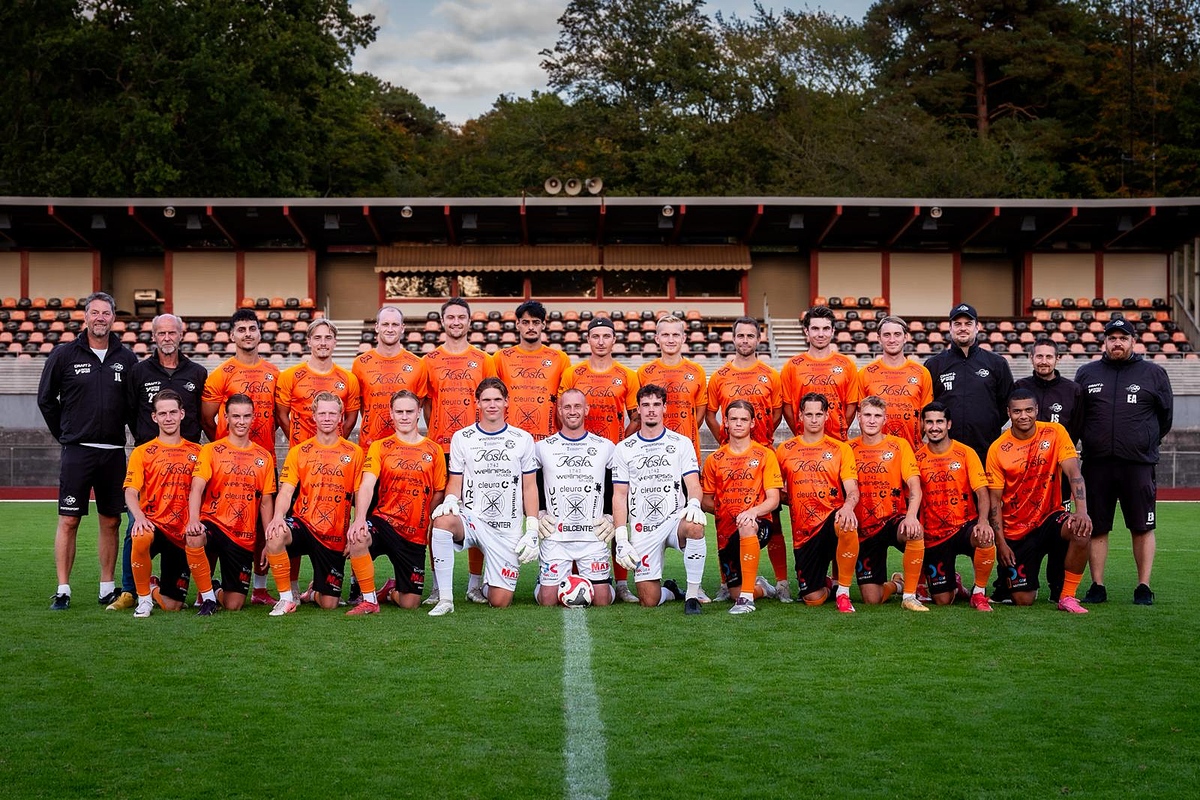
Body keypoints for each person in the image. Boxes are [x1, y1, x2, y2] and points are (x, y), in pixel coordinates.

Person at [37, 291, 137, 611]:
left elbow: (134, 408)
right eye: (95, 312)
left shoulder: (127, 358)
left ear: (113, 318)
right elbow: (45, 399)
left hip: (113, 452)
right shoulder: (64, 354)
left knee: (111, 521)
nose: (100, 318)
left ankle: (106, 588)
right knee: (69, 520)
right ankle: (63, 589)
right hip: (77, 451)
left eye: (106, 313)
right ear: (85, 317)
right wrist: (66, 435)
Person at [108, 312, 208, 612]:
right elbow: (129, 410)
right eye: (161, 333)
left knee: (193, 525)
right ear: (154, 337)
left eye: (172, 332)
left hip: (187, 461)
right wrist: (146, 440)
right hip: (150, 461)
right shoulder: (139, 371)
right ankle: (130, 591)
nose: (167, 338)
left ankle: (193, 588)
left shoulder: (197, 372)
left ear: (181, 335)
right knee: (136, 527)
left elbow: (203, 414)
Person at [1074, 317, 1173, 605]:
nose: (1117, 343)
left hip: (1137, 464)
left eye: (1123, 338)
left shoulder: (1154, 374)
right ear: (1104, 342)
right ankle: (1097, 585)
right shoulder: (1087, 373)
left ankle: (1143, 586)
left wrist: (1142, 440)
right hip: (1097, 464)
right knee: (1097, 526)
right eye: (1112, 338)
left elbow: (1165, 418)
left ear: (1133, 341)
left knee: (1142, 526)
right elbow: (1080, 417)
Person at [427, 378, 540, 615]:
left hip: (507, 529)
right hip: (473, 521)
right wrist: (450, 500)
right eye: (486, 400)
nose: (492, 405)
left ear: (507, 402)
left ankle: (488, 583)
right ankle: (445, 598)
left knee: (500, 601)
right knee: (443, 521)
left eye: (497, 399)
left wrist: (532, 527)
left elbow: (529, 487)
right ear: (477, 403)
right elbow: (455, 480)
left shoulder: (522, 439)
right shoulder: (462, 437)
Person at [705, 316, 789, 601]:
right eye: (740, 335)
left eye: (750, 336)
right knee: (724, 515)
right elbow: (710, 414)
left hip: (761, 454)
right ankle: (726, 581)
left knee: (773, 520)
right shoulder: (720, 376)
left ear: (758, 339)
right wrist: (725, 439)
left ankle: (782, 582)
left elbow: (776, 413)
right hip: (730, 456)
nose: (745, 340)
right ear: (733, 338)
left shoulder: (770, 375)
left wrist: (759, 438)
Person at [986, 388, 1092, 613]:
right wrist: (1001, 543)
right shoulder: (997, 449)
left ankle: (1067, 596)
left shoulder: (1055, 432)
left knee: (1081, 530)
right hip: (1017, 529)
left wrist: (1081, 511)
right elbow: (994, 502)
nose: (1023, 416)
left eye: (1028, 410)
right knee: (1023, 599)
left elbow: (1073, 472)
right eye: (1017, 411)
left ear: (1036, 410)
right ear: (1009, 413)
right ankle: (1007, 583)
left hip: (1049, 517)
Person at [200, 307, 280, 605]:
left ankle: (259, 588)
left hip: (263, 461)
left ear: (260, 334)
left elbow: (278, 417)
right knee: (216, 520)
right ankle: (207, 587)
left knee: (262, 523)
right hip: (226, 465)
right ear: (232, 335)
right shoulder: (222, 374)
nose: (248, 334)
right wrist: (225, 447)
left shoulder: (274, 373)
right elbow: (207, 418)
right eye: (242, 330)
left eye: (252, 329)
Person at [560, 316, 640, 602]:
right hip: (578, 460)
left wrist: (619, 443)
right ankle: (573, 577)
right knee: (575, 517)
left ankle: (622, 583)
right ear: (588, 340)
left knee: (616, 520)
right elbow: (563, 411)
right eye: (596, 336)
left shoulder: (627, 376)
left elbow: (635, 417)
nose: (601, 341)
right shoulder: (573, 373)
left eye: (607, 336)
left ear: (614, 340)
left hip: (612, 461)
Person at [263, 392, 364, 616]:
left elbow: (360, 493)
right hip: (304, 525)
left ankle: (312, 592)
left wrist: (358, 522)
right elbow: (286, 490)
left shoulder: (354, 452)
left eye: (332, 414)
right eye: (322, 413)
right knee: (276, 533)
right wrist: (278, 517)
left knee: (329, 603)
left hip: (334, 534)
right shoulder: (299, 451)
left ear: (341, 417)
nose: (327, 418)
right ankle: (286, 599)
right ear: (314, 416)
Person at [346, 390, 447, 614]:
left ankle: (390, 591)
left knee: (410, 603)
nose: (404, 416)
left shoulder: (434, 450)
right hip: (384, 522)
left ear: (418, 412)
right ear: (391, 414)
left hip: (413, 534)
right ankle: (369, 600)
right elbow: (367, 484)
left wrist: (424, 519)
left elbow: (439, 492)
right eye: (399, 412)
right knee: (359, 537)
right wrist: (360, 519)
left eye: (409, 411)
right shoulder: (380, 447)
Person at [421, 297, 494, 606]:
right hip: (440, 450)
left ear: (469, 321)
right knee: (436, 515)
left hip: (476, 450)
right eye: (450, 317)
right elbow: (426, 404)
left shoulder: (483, 359)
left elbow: (490, 400)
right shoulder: (429, 360)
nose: (455, 322)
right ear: (442, 322)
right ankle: (438, 586)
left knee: (480, 515)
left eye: (461, 317)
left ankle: (475, 584)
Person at [612, 384, 707, 614]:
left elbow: (693, 484)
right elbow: (620, 495)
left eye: (656, 404)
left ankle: (692, 596)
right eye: (645, 405)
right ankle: (671, 591)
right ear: (638, 410)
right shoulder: (624, 448)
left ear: (665, 408)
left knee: (695, 526)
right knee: (649, 600)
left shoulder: (681, 443)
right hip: (643, 528)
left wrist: (694, 503)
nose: (651, 410)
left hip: (674, 520)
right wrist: (621, 537)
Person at [185, 394, 277, 614]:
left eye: (246, 416)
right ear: (225, 418)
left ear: (253, 418)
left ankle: (215, 589)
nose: (241, 421)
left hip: (242, 535)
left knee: (233, 605)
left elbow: (265, 502)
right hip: (214, 524)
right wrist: (194, 520)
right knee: (195, 536)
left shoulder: (264, 456)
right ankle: (208, 598)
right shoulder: (211, 450)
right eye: (236, 416)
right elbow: (196, 488)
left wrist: (269, 540)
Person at [775, 392, 860, 612]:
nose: (814, 419)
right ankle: (828, 585)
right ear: (800, 416)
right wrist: (796, 498)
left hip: (831, 519)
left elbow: (852, 489)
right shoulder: (785, 450)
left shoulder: (841, 449)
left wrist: (848, 506)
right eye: (809, 414)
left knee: (846, 522)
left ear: (826, 416)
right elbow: (775, 490)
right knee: (813, 598)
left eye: (819, 414)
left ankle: (843, 592)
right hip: (803, 532)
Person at [532, 388, 616, 607]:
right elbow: (531, 484)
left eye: (577, 406)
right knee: (548, 601)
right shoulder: (542, 448)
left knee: (602, 600)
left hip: (593, 537)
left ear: (586, 409)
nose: (572, 411)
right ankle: (543, 580)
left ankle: (599, 581)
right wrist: (538, 514)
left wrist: (611, 517)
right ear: (559, 410)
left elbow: (615, 486)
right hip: (555, 537)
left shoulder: (605, 447)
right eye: (567, 407)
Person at [123, 390, 202, 618]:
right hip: (154, 524)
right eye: (163, 413)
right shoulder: (142, 452)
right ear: (154, 417)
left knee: (172, 606)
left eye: (173, 412)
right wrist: (139, 517)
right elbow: (130, 491)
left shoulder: (198, 452)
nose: (168, 418)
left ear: (182, 414)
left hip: (181, 532)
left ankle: (152, 587)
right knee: (140, 535)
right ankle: (143, 600)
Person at [700, 400, 782, 615]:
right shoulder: (714, 459)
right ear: (725, 422)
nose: (738, 423)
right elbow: (706, 500)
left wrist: (752, 512)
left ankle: (746, 600)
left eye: (744, 419)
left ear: (752, 423)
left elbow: (773, 499)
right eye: (734, 419)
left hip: (758, 524)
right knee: (733, 592)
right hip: (727, 529)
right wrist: (727, 510)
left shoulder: (765, 455)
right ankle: (761, 588)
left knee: (747, 525)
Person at [914, 402, 996, 611]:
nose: (934, 427)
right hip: (935, 534)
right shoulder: (917, 458)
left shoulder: (965, 453)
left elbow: (982, 492)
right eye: (929, 422)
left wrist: (983, 521)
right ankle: (954, 584)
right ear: (923, 425)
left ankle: (979, 593)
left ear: (948, 424)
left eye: (939, 422)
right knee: (942, 600)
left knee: (984, 537)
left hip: (964, 526)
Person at [847, 396, 926, 610]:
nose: (872, 420)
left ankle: (910, 596)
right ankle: (897, 584)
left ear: (885, 419)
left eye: (877, 416)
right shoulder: (848, 449)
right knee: (872, 599)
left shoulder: (899, 446)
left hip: (893, 519)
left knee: (914, 532)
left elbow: (914, 485)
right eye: (867, 415)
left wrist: (911, 516)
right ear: (859, 417)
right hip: (864, 529)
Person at [923, 303, 1014, 464]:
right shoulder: (934, 365)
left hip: (985, 448)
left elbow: (1006, 403)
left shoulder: (997, 363)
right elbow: (927, 405)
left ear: (977, 327)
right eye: (957, 324)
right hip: (944, 450)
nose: (963, 328)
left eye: (968, 324)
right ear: (950, 328)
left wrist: (987, 423)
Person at [492, 300, 572, 441]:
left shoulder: (560, 358)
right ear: (517, 324)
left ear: (543, 324)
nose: (530, 327)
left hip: (548, 439)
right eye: (525, 322)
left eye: (535, 322)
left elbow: (567, 401)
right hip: (509, 439)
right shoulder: (500, 358)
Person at [353, 306, 428, 454]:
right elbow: (361, 405)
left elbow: (418, 406)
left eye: (395, 324)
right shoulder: (360, 363)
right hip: (370, 445)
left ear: (402, 328)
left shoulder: (418, 364)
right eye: (385, 324)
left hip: (407, 447)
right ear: (377, 327)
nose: (390, 329)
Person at [276, 318, 361, 447]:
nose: (323, 343)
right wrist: (297, 443)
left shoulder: (349, 379)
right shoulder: (289, 376)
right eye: (317, 338)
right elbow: (281, 416)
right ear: (309, 341)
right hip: (300, 452)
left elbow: (350, 420)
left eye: (328, 338)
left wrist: (331, 444)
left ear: (335, 342)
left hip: (334, 452)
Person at [781, 305, 860, 441]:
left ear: (833, 331)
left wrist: (839, 431)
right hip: (804, 442)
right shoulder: (792, 366)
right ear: (806, 331)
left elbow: (851, 405)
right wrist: (801, 434)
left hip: (837, 442)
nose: (821, 334)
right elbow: (787, 407)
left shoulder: (847, 364)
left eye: (826, 328)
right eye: (815, 328)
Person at [855, 315, 933, 450]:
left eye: (897, 334)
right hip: (876, 451)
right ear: (879, 339)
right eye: (887, 335)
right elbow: (861, 415)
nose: (892, 340)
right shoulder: (865, 373)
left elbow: (926, 416)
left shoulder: (921, 373)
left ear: (905, 337)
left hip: (912, 451)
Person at [636, 314, 707, 460]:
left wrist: (685, 431)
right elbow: (639, 412)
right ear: (657, 339)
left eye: (675, 335)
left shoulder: (697, 371)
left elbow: (700, 413)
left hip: (687, 451)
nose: (670, 340)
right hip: (653, 451)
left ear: (683, 338)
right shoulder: (644, 372)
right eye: (665, 335)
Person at [1014, 337, 1083, 442]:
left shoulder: (1073, 390)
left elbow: (1076, 428)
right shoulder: (1020, 386)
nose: (1044, 361)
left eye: (1049, 357)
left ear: (1057, 359)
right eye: (1039, 356)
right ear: (1031, 358)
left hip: (1059, 450)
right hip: (1024, 449)